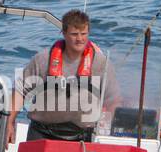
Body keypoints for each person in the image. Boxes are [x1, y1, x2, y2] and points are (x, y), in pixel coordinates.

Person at [6, 9, 113, 143]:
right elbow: (20, 91)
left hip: (82, 137)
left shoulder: (101, 63)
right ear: (63, 33)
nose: (79, 39)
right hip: (41, 133)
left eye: (83, 34)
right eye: (74, 34)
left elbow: (112, 98)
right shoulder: (42, 59)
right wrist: (9, 123)